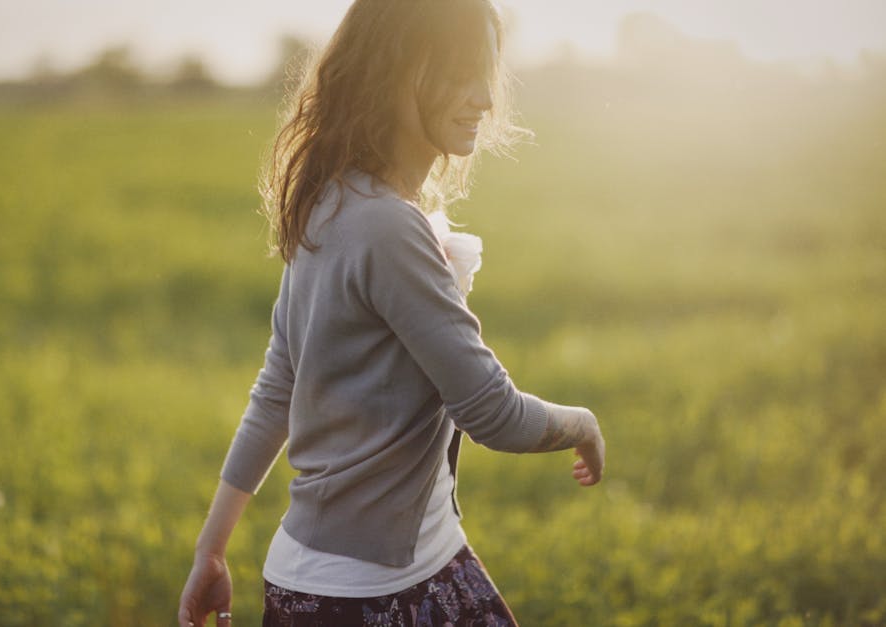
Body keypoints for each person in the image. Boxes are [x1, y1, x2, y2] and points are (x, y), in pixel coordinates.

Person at [178, 0, 606, 625]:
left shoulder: (332, 200)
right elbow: (492, 413)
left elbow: (278, 385)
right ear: (391, 73)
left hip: (414, 563)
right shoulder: (386, 226)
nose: (484, 97)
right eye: (458, 73)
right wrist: (583, 423)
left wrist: (210, 551)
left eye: (485, 72)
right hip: (366, 597)